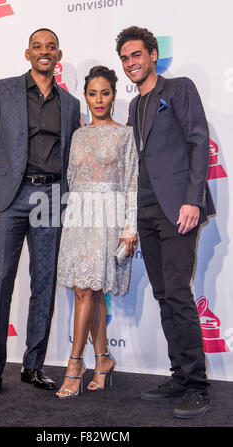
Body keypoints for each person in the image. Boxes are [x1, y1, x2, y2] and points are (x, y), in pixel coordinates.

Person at [0, 28, 81, 399]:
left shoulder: (70, 104)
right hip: (8, 198)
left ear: (59, 55)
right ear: (27, 54)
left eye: (51, 47)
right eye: (38, 47)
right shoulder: (2, 89)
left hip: (51, 197)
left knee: (44, 283)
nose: (44, 52)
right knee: (0, 281)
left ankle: (33, 365)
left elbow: (70, 158)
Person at [116, 26, 216, 418]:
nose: (130, 63)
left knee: (177, 293)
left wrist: (193, 199)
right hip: (146, 213)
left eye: (136, 55)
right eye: (125, 58)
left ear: (153, 54)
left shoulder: (178, 90)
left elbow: (197, 141)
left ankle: (197, 384)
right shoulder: (133, 106)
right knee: (163, 296)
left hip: (178, 208)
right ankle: (179, 375)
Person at [56, 66, 138, 398]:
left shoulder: (125, 134)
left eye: (105, 93)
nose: (98, 99)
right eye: (92, 93)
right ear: (85, 97)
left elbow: (133, 183)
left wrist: (130, 228)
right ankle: (102, 359)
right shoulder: (78, 134)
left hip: (109, 219)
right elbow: (73, 180)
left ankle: (75, 364)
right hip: (78, 218)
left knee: (87, 291)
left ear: (114, 95)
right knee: (88, 290)